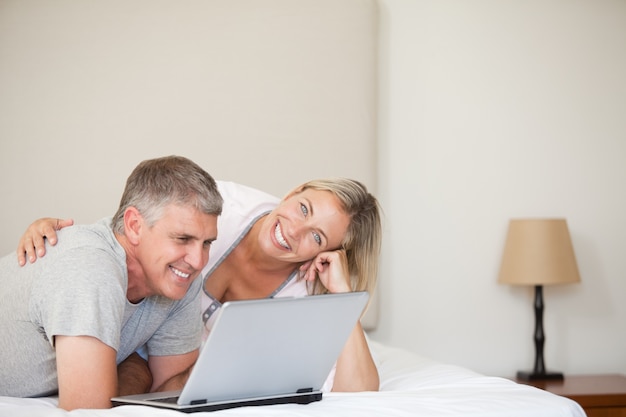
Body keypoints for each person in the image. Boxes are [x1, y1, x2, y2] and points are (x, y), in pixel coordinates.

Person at [17, 178, 382, 392]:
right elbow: (132, 237)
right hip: (133, 341)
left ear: (327, 254)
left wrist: (343, 298)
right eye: (304, 209)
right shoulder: (220, 205)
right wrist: (66, 238)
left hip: (173, 372)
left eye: (317, 237)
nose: (293, 230)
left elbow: (359, 395)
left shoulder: (306, 291)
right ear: (295, 191)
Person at [1, 155, 223, 410]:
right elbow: (89, 411)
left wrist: (218, 363)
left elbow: (167, 395)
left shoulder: (181, 277)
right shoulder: (89, 266)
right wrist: (134, 368)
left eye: (207, 243)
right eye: (182, 238)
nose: (198, 261)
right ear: (134, 226)